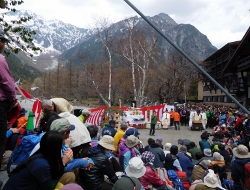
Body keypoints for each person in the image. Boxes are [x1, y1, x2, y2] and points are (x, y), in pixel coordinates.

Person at [3, 131, 75, 190]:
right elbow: (50, 187)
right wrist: (63, 163)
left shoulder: (42, 154)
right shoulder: (41, 164)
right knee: (69, 178)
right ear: (55, 148)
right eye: (61, 146)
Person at [0, 27, 17, 188]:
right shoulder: (0, 60)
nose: (4, 44)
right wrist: (13, 102)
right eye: (3, 41)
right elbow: (7, 84)